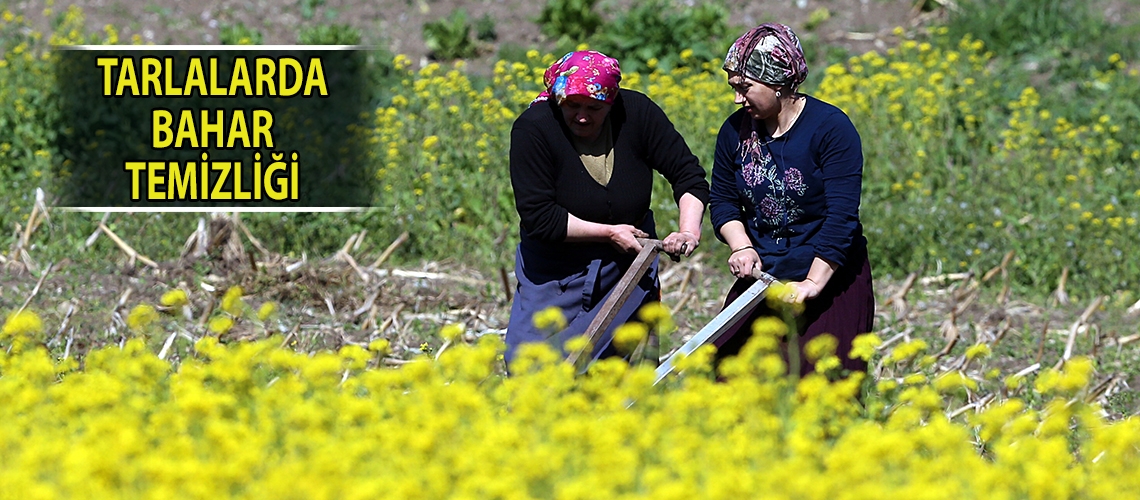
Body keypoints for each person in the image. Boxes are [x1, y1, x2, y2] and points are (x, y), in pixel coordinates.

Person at [506, 50, 710, 367]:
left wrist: (688, 230)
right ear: (557, 99)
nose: (582, 116)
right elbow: (540, 217)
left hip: (627, 265)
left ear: (611, 103)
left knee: (624, 372)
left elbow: (688, 176)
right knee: (531, 367)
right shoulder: (534, 129)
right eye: (572, 106)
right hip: (555, 272)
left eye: (594, 108)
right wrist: (608, 233)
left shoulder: (637, 114)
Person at [708, 24, 875, 376]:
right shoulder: (734, 132)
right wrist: (741, 247)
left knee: (822, 386)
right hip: (764, 275)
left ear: (779, 82)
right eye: (733, 88)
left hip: (829, 275)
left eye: (745, 87)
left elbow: (841, 216)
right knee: (727, 374)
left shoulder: (831, 129)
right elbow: (722, 199)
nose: (737, 98)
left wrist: (812, 283)